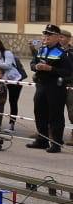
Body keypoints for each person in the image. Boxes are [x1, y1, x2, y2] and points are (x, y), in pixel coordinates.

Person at [28, 23, 69, 153]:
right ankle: (42, 140)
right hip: (41, 85)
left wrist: (51, 69)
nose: (46, 36)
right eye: (45, 34)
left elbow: (68, 72)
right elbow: (32, 63)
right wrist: (36, 67)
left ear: (57, 37)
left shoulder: (63, 53)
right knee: (39, 112)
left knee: (55, 115)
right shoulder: (41, 49)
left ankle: (56, 143)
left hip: (55, 87)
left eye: (49, 34)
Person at [0, 36, 24, 133]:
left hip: (14, 80)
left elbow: (8, 65)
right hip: (0, 80)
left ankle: (12, 125)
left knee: (13, 101)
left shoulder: (7, 53)